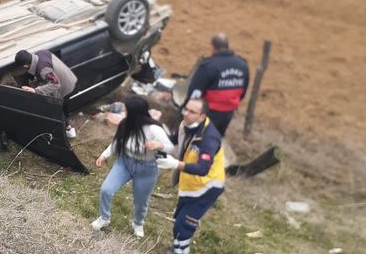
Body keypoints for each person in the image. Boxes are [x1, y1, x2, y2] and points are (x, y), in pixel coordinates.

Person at [91, 96, 175, 238]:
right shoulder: (126, 123)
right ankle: (104, 218)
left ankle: (138, 222)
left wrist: (159, 145)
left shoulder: (153, 128)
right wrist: (104, 155)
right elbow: (117, 143)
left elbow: (171, 148)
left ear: (136, 112)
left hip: (146, 168)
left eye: (126, 110)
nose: (124, 112)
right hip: (124, 163)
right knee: (106, 189)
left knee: (141, 201)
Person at [157, 98, 225, 254]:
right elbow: (174, 141)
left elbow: (203, 168)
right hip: (190, 184)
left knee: (184, 225)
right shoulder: (185, 125)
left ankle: (180, 251)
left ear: (202, 116)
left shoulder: (209, 137)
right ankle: (177, 249)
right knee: (178, 222)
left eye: (192, 112)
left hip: (207, 186)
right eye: (185, 109)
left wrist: (175, 164)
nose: (186, 114)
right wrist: (157, 140)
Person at [184, 33, 249, 136]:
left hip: (209, 113)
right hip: (228, 114)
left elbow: (195, 93)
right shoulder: (243, 65)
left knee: (198, 140)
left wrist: (186, 109)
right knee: (216, 139)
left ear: (213, 47)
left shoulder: (208, 66)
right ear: (227, 46)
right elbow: (243, 91)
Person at [14, 49, 78, 138]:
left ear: (25, 65)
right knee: (62, 106)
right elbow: (48, 73)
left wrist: (36, 90)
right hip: (66, 77)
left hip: (65, 85)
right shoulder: (40, 53)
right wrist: (37, 82)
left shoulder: (43, 69)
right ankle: (65, 124)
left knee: (56, 109)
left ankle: (69, 130)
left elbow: (55, 84)